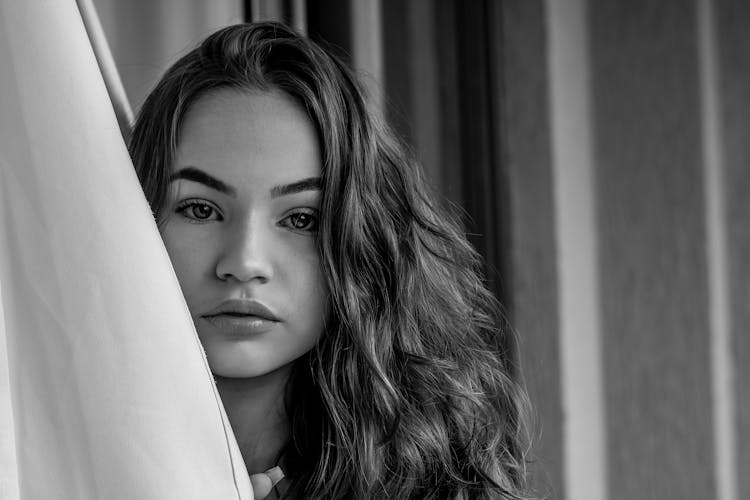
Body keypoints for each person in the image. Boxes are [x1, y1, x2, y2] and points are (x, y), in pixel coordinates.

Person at [128, 21, 530, 499]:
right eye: (200, 209)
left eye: (300, 219)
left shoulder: (435, 485)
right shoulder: (34, 447)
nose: (244, 262)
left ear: (361, 241)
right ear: (138, 214)